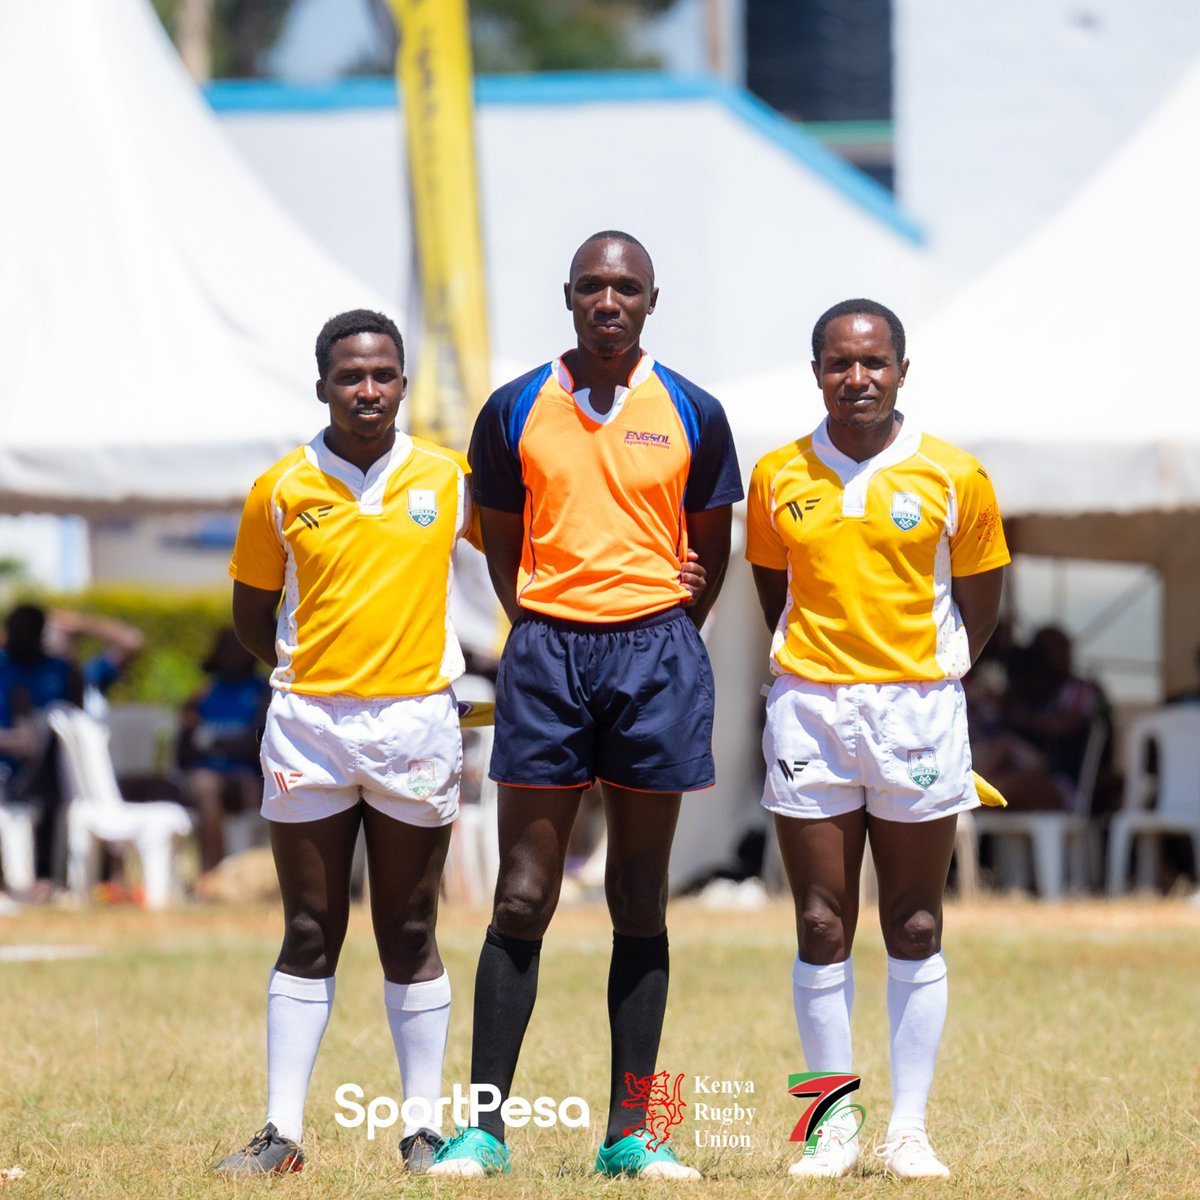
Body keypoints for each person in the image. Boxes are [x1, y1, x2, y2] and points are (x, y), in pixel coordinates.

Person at [430, 231, 742, 1180]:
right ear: (569, 297)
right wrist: (546, 620)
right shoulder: (514, 407)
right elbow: (500, 540)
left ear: (653, 300)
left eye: (628, 288)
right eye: (594, 287)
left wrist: (666, 616)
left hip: (657, 652)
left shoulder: (694, 409)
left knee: (638, 896)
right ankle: (482, 1131)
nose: (610, 301)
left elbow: (710, 545)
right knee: (523, 893)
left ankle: (633, 1133)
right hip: (547, 652)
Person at [745, 299, 1010, 1180]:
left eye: (873, 362)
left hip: (917, 713)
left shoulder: (953, 474)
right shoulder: (778, 473)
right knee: (821, 921)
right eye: (838, 363)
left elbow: (982, 601)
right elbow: (770, 589)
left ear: (902, 368)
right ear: (815, 370)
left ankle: (909, 1130)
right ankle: (829, 1126)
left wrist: (925, 674)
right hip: (811, 711)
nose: (856, 378)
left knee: (916, 919)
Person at [213, 309, 480, 1176]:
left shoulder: (448, 477)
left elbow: (527, 557)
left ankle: (423, 1131)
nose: (368, 390)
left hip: (416, 726)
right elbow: (254, 617)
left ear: (403, 383)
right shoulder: (281, 488)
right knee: (309, 926)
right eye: (350, 376)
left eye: (383, 375)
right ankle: (281, 1135)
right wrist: (321, 670)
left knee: (409, 926)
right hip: (311, 728)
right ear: (322, 383)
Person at [0, 604, 84, 883]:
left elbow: (76, 723)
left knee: (51, 786)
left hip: (50, 772)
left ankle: (47, 873)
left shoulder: (63, 670)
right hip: (9, 767)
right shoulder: (4, 668)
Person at [177, 627, 270, 873]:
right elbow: (182, 754)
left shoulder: (264, 692)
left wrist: (209, 743)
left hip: (247, 782)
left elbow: (256, 744)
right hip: (202, 780)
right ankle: (207, 874)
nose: (235, 655)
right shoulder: (203, 695)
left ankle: (211, 875)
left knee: (205, 785)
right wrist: (193, 736)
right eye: (229, 648)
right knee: (202, 785)